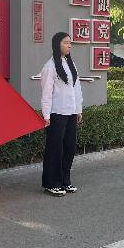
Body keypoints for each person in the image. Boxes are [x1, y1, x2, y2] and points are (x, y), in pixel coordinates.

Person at [40, 32, 83, 197]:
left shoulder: (71, 64)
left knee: (69, 148)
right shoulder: (50, 66)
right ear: (57, 44)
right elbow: (46, 93)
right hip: (56, 113)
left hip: (71, 112)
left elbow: (77, 88)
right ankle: (52, 183)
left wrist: (78, 109)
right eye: (66, 42)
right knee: (55, 150)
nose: (69, 45)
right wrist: (46, 116)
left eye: (70, 43)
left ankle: (65, 180)